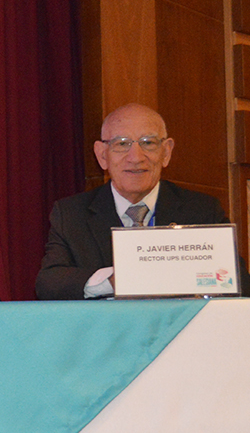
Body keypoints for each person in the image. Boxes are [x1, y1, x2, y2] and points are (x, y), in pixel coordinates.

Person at [36, 103, 250, 299]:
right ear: (102, 155)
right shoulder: (71, 214)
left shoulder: (201, 210)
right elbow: (49, 283)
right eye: (122, 144)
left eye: (148, 143)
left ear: (166, 152)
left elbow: (240, 283)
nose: (136, 157)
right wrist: (113, 281)